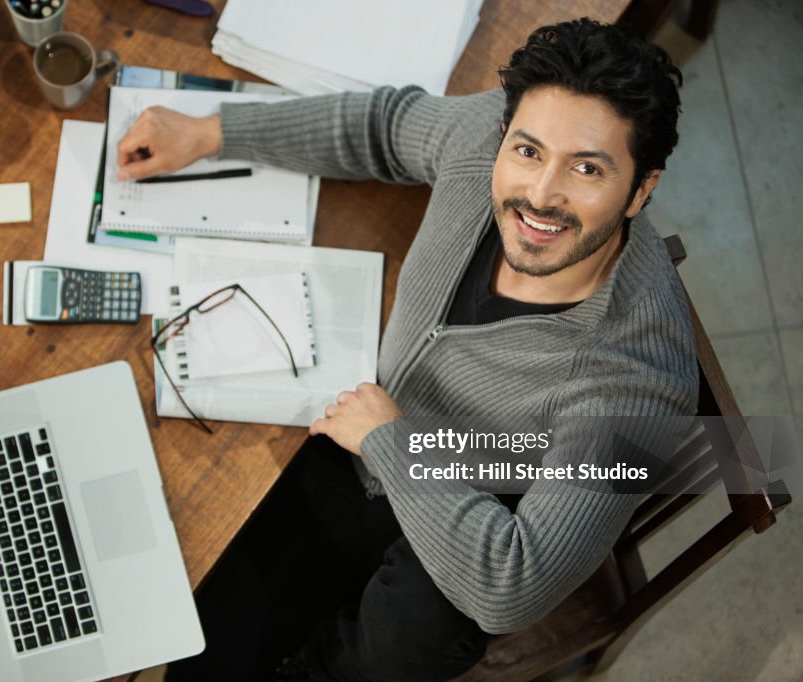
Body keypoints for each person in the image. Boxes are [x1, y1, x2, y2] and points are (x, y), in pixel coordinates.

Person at [118, 18, 698, 682]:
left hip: (464, 529)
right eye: (528, 152)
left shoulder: (637, 382)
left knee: (407, 633)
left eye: (587, 168)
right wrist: (210, 132)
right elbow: (383, 128)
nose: (540, 194)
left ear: (641, 190)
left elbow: (511, 585)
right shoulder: (490, 135)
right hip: (353, 453)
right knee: (202, 646)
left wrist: (391, 443)